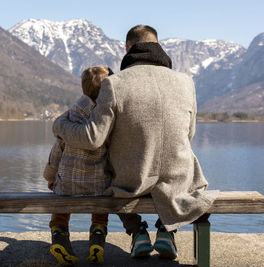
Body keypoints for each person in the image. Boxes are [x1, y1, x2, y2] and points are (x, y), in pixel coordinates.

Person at [52, 25, 218, 260]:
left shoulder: (114, 83)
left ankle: (138, 232)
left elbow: (92, 138)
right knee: (187, 171)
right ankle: (165, 231)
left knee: (110, 174)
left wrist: (59, 125)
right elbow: (189, 134)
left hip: (132, 182)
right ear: (158, 46)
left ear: (128, 48)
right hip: (178, 180)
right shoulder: (186, 82)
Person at [43, 66, 113, 265]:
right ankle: (97, 237)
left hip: (67, 186)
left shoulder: (71, 116)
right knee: (101, 206)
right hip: (99, 186)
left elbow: (58, 149)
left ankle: (59, 234)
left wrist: (51, 176)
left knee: (60, 200)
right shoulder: (106, 118)